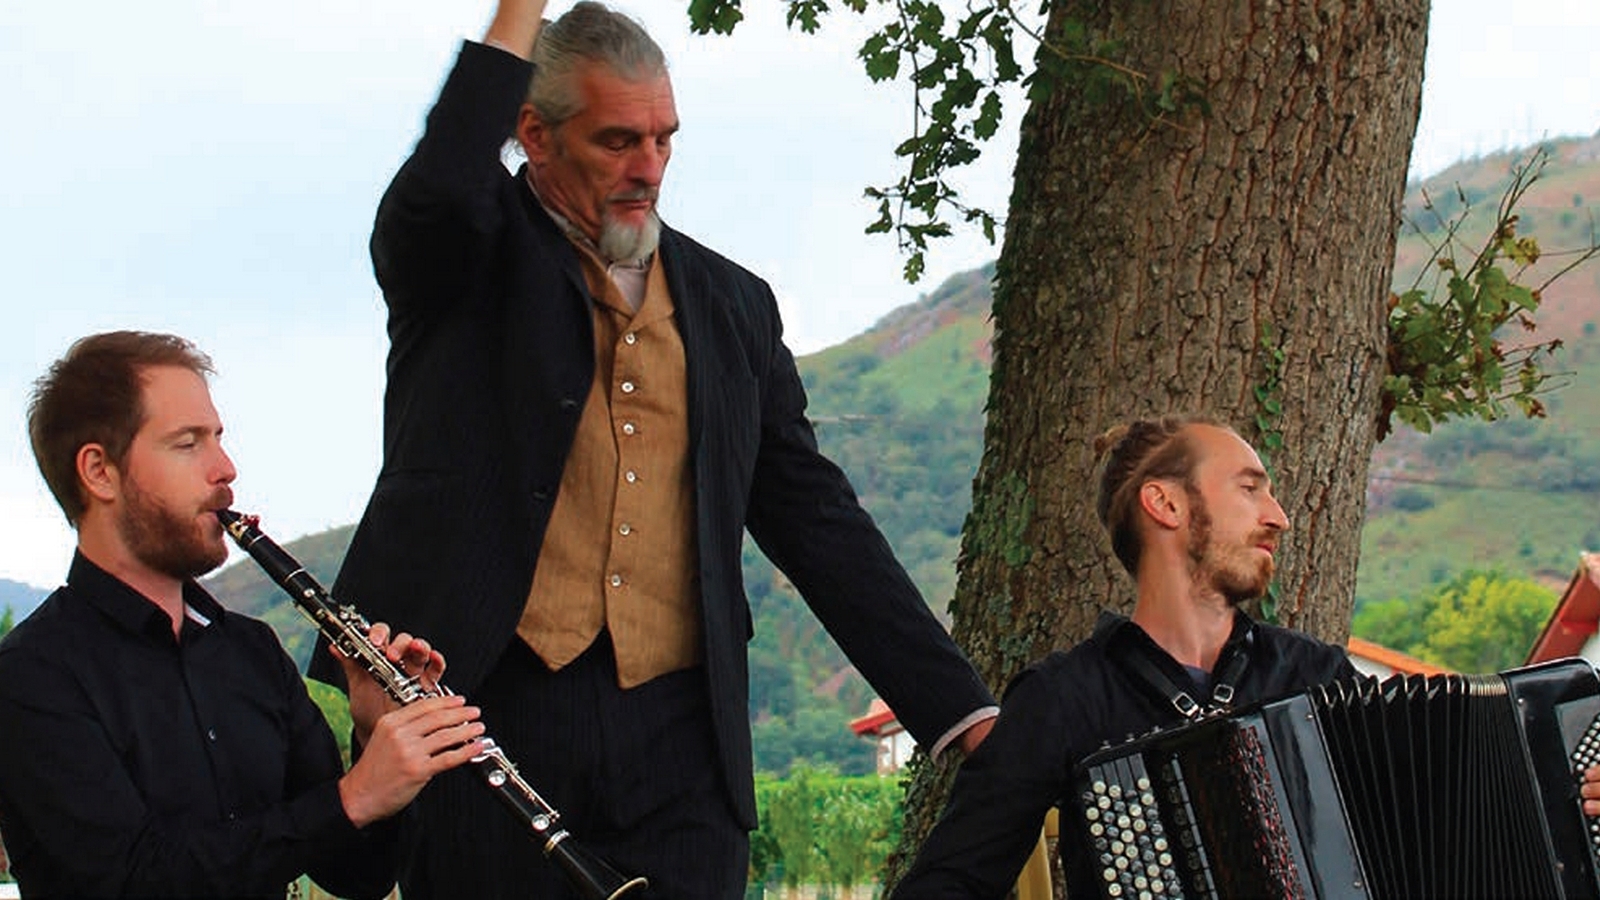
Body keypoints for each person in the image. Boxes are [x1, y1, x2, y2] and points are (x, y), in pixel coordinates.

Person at [313, 1, 999, 896]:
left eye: (664, 140)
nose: (650, 169)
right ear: (534, 134)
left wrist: (964, 710)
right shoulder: (459, 262)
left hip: (681, 750)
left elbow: (816, 518)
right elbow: (443, 179)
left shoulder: (731, 303)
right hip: (488, 716)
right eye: (617, 142)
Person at [0, 331, 486, 899]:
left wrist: (374, 735)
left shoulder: (252, 652)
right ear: (99, 472)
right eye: (188, 444)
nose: (225, 468)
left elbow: (357, 875)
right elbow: (128, 880)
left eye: (218, 439)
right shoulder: (31, 675)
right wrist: (352, 797)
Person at [892, 414, 1362, 898]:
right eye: (1249, 489)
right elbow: (947, 885)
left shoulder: (1317, 677)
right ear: (1165, 503)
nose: (1278, 517)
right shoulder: (1063, 700)